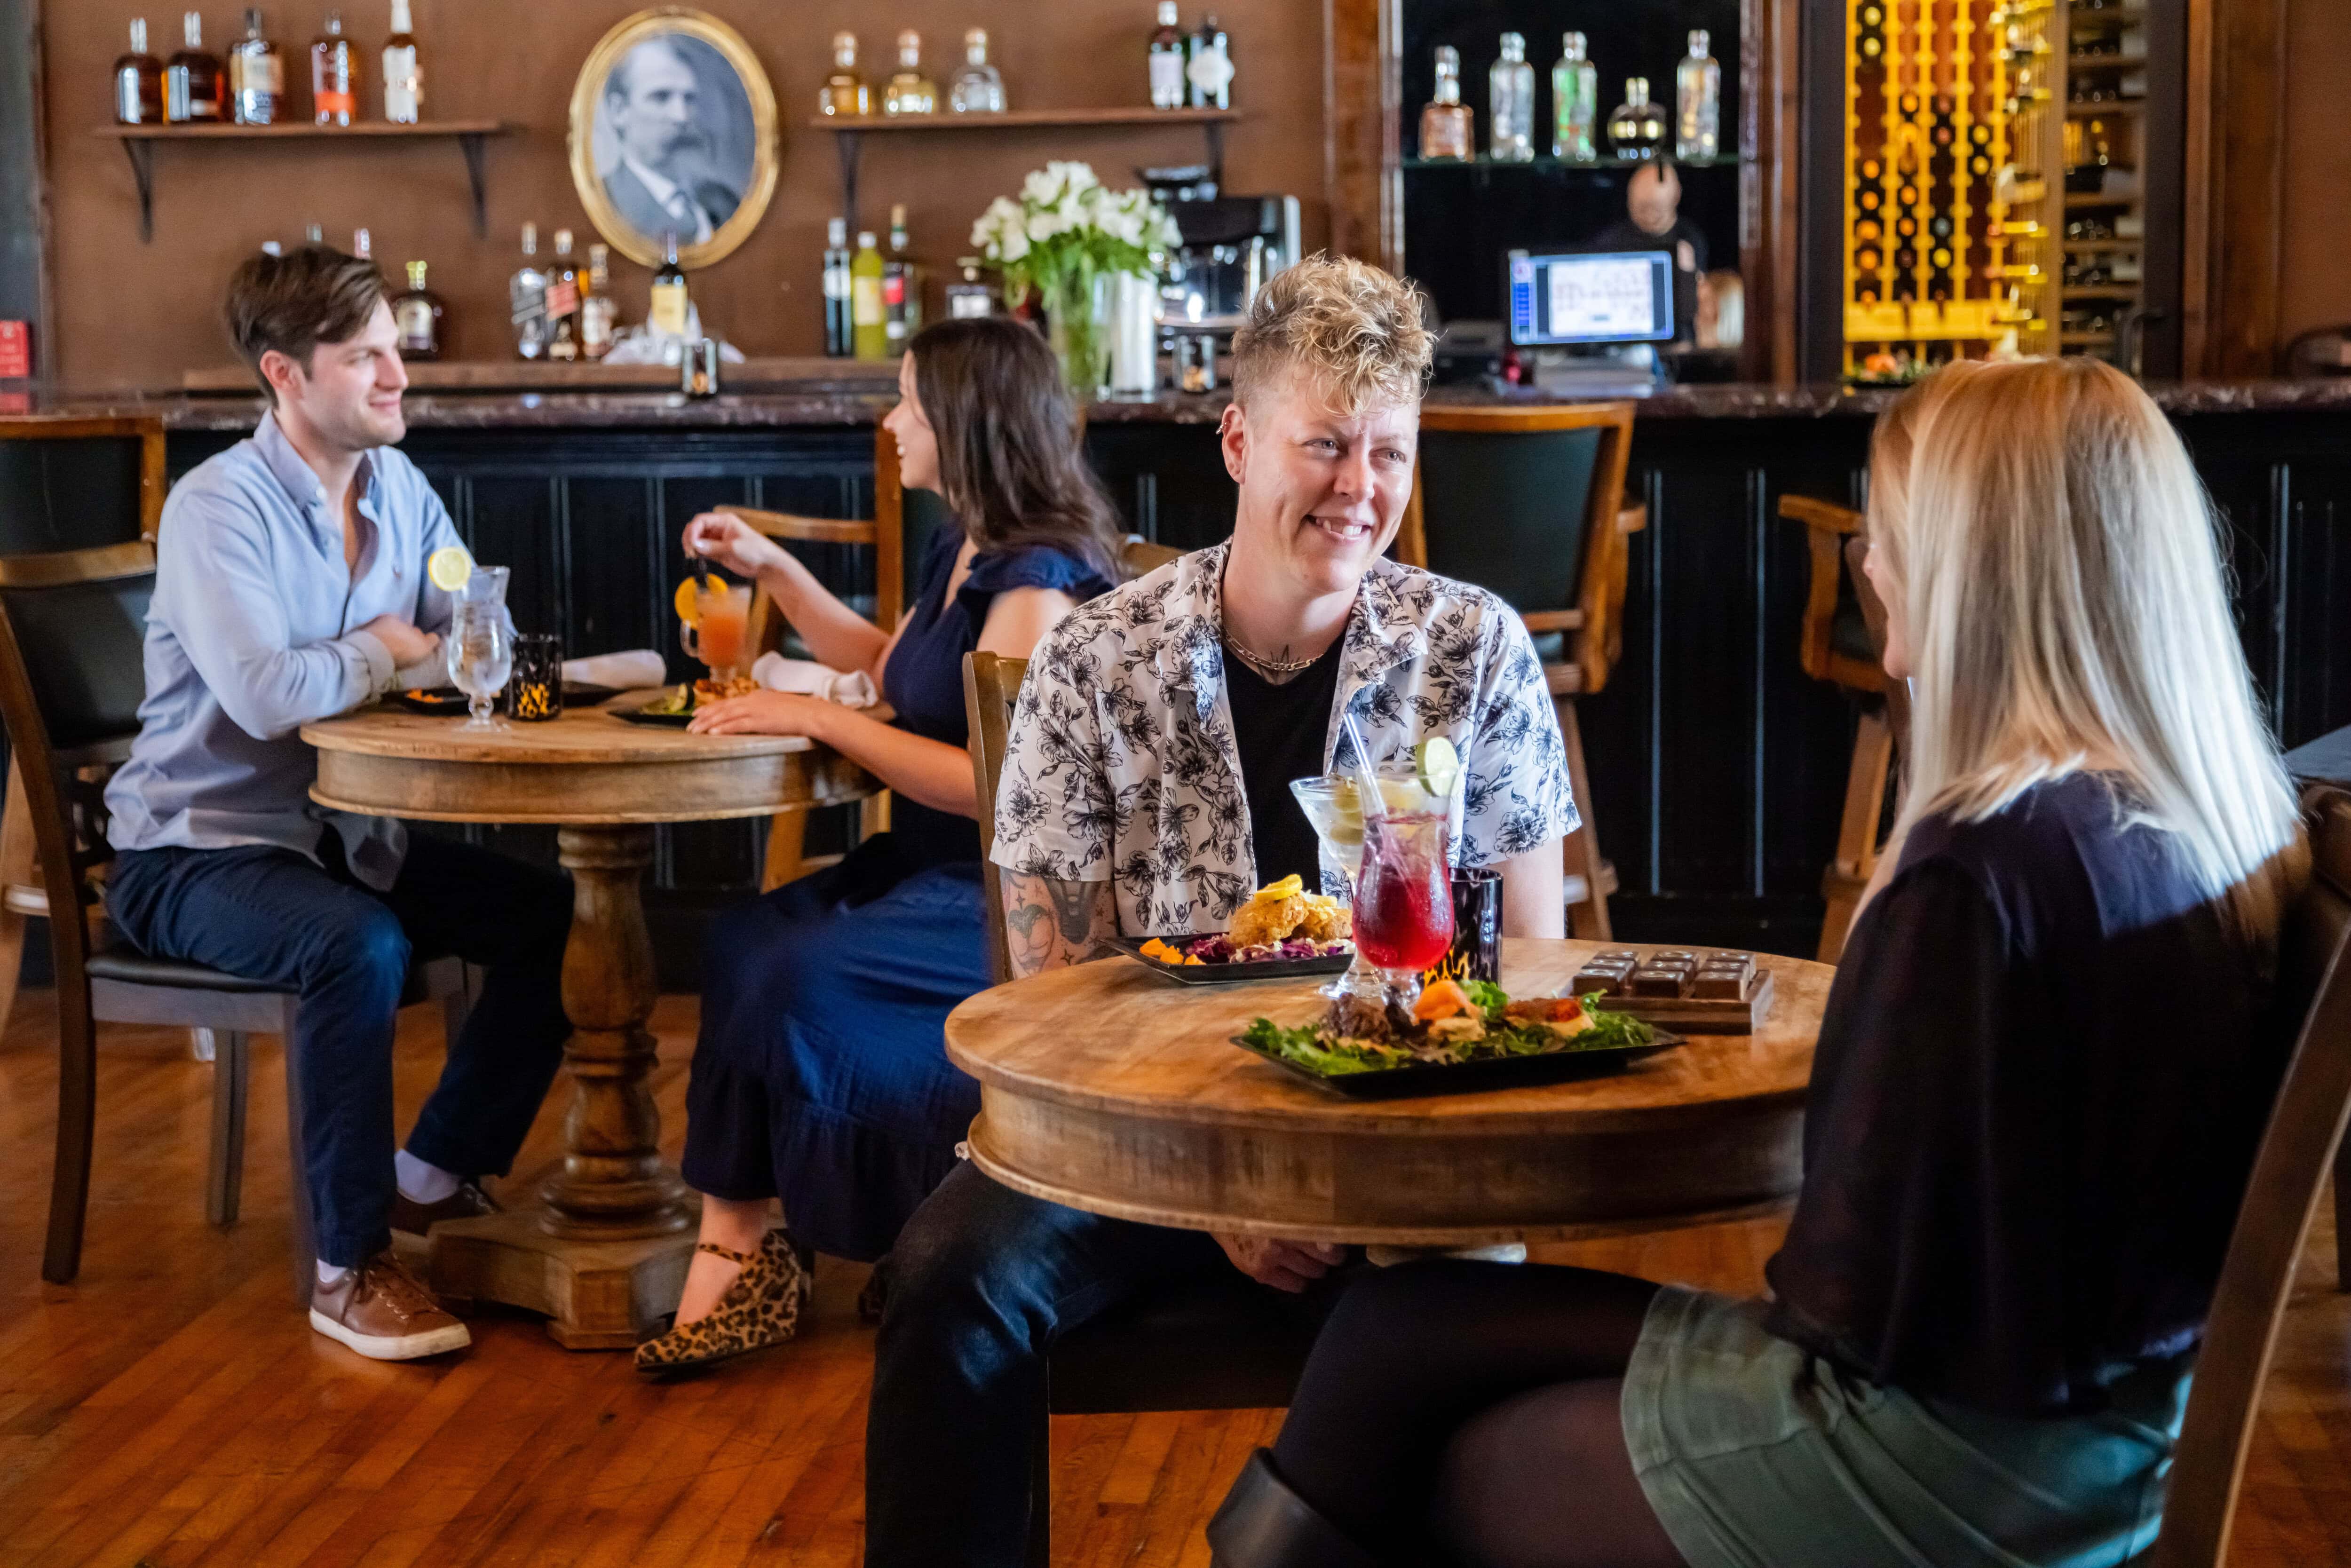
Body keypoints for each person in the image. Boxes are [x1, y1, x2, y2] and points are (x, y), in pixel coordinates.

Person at [1204, 356, 2312, 1568]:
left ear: (1972, 565)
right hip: (2089, 1435)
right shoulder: (2186, 819)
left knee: (1435, 1445)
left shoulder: (1982, 867)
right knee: (1397, 1325)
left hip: (1941, 1450)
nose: (1867, 565)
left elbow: (1841, 1275)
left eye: (1887, 531)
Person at [862, 255, 1578, 1568]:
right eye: (1322, 444)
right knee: (943, 1277)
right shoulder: (1093, 654)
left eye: (1387, 452)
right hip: (1125, 1159)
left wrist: (1343, 1179)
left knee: (1476, 1304)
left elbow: (1522, 975)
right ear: (1239, 440)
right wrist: (1221, 1194)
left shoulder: (1470, 647)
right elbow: (1047, 1009)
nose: (1357, 487)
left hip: (1399, 1158)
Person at [102, 245, 575, 1362]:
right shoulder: (218, 507)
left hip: (343, 839)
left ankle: (429, 1173)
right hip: (194, 853)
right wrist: (381, 648)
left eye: (394, 350)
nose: (396, 375)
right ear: (286, 375)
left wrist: (426, 647)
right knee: (356, 949)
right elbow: (267, 696)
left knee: (556, 918)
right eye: (363, 356)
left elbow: (471, 631)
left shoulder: (400, 489)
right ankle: (349, 1267)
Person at [630, 316, 1122, 1375]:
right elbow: (893, 666)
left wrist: (818, 718)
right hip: (922, 863)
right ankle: (749, 1243)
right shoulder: (967, 542)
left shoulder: (1037, 580)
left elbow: (1002, 790)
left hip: (1005, 891)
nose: (891, 421)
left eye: (907, 400)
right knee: (743, 939)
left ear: (966, 420)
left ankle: (786, 1247)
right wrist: (776, 570)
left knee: (798, 971)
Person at [601, 35, 738, 245]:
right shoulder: (606, 201)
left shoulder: (724, 202)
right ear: (619, 111)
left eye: (689, 99)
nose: (681, 116)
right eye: (661, 97)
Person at [1593, 162, 1708, 343]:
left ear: (1676, 197)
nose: (1648, 215)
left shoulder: (1690, 239)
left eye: (1656, 207)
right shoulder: (1611, 241)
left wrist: (1688, 273)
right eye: (1641, 206)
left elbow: (1700, 308)